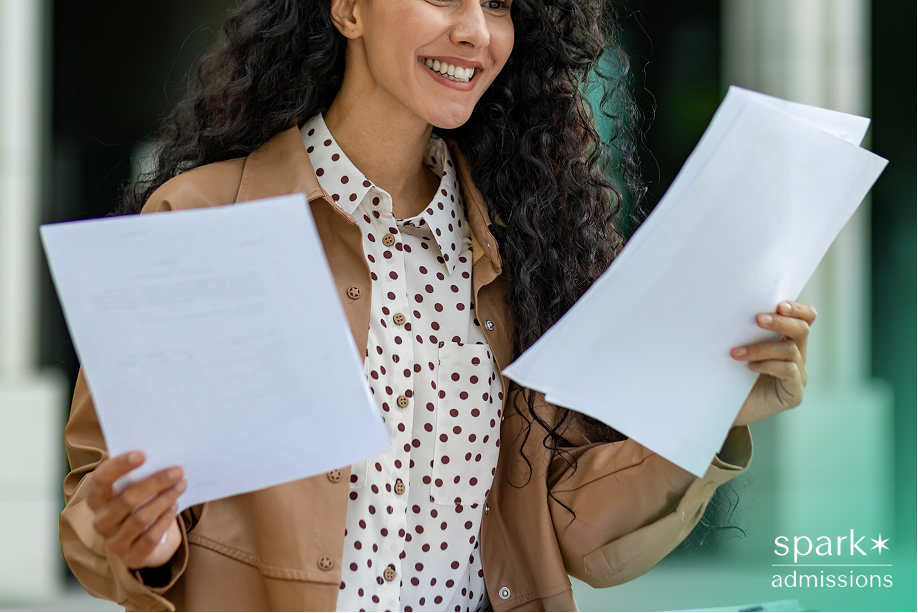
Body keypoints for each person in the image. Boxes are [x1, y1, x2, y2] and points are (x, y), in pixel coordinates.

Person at [59, 0, 817, 610]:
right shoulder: (201, 216)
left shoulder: (525, 245)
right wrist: (141, 544)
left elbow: (569, 533)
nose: (475, 30)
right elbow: (101, 499)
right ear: (348, 9)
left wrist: (710, 406)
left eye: (497, 5)